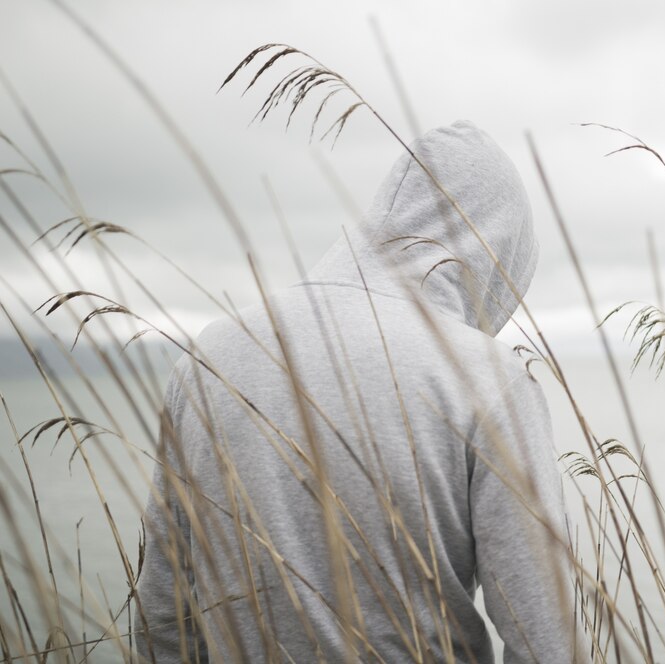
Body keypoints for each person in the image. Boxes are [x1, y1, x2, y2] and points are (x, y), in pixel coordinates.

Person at [134, 120, 585, 663]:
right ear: (495, 254)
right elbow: (549, 645)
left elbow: (164, 615)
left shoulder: (210, 357)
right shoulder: (488, 380)